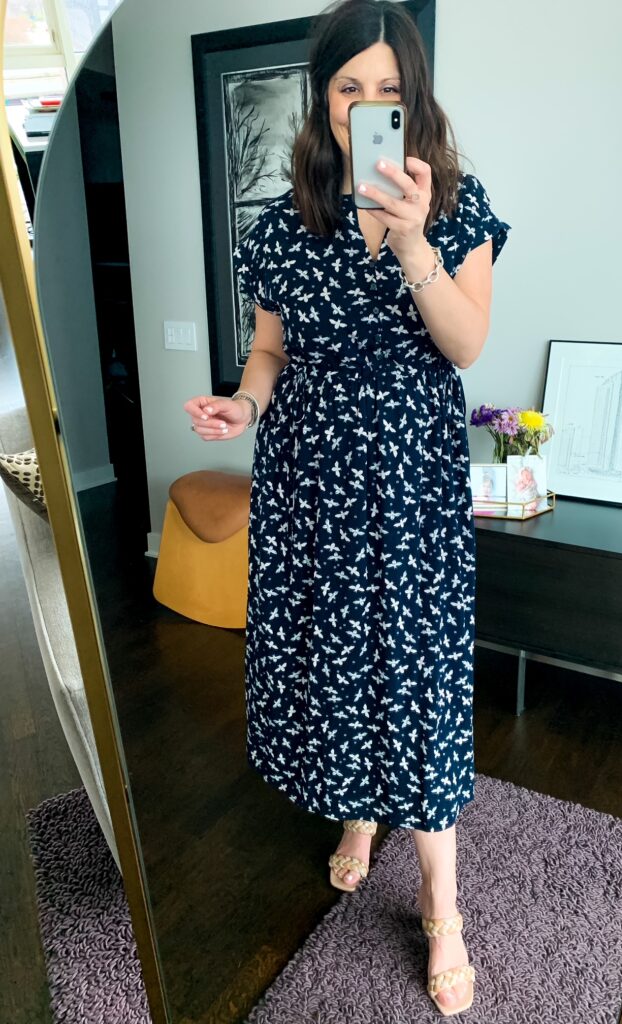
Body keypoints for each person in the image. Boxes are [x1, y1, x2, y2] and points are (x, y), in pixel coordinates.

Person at [183, 0, 510, 1014]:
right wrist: (240, 403)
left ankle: (443, 909)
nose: (369, 106)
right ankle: (359, 815)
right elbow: (269, 352)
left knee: (415, 680)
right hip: (310, 486)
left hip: (408, 492)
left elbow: (465, 346)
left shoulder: (455, 206)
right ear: (320, 101)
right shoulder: (284, 225)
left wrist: (414, 244)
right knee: (335, 663)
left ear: (414, 100)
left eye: (389, 90)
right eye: (348, 89)